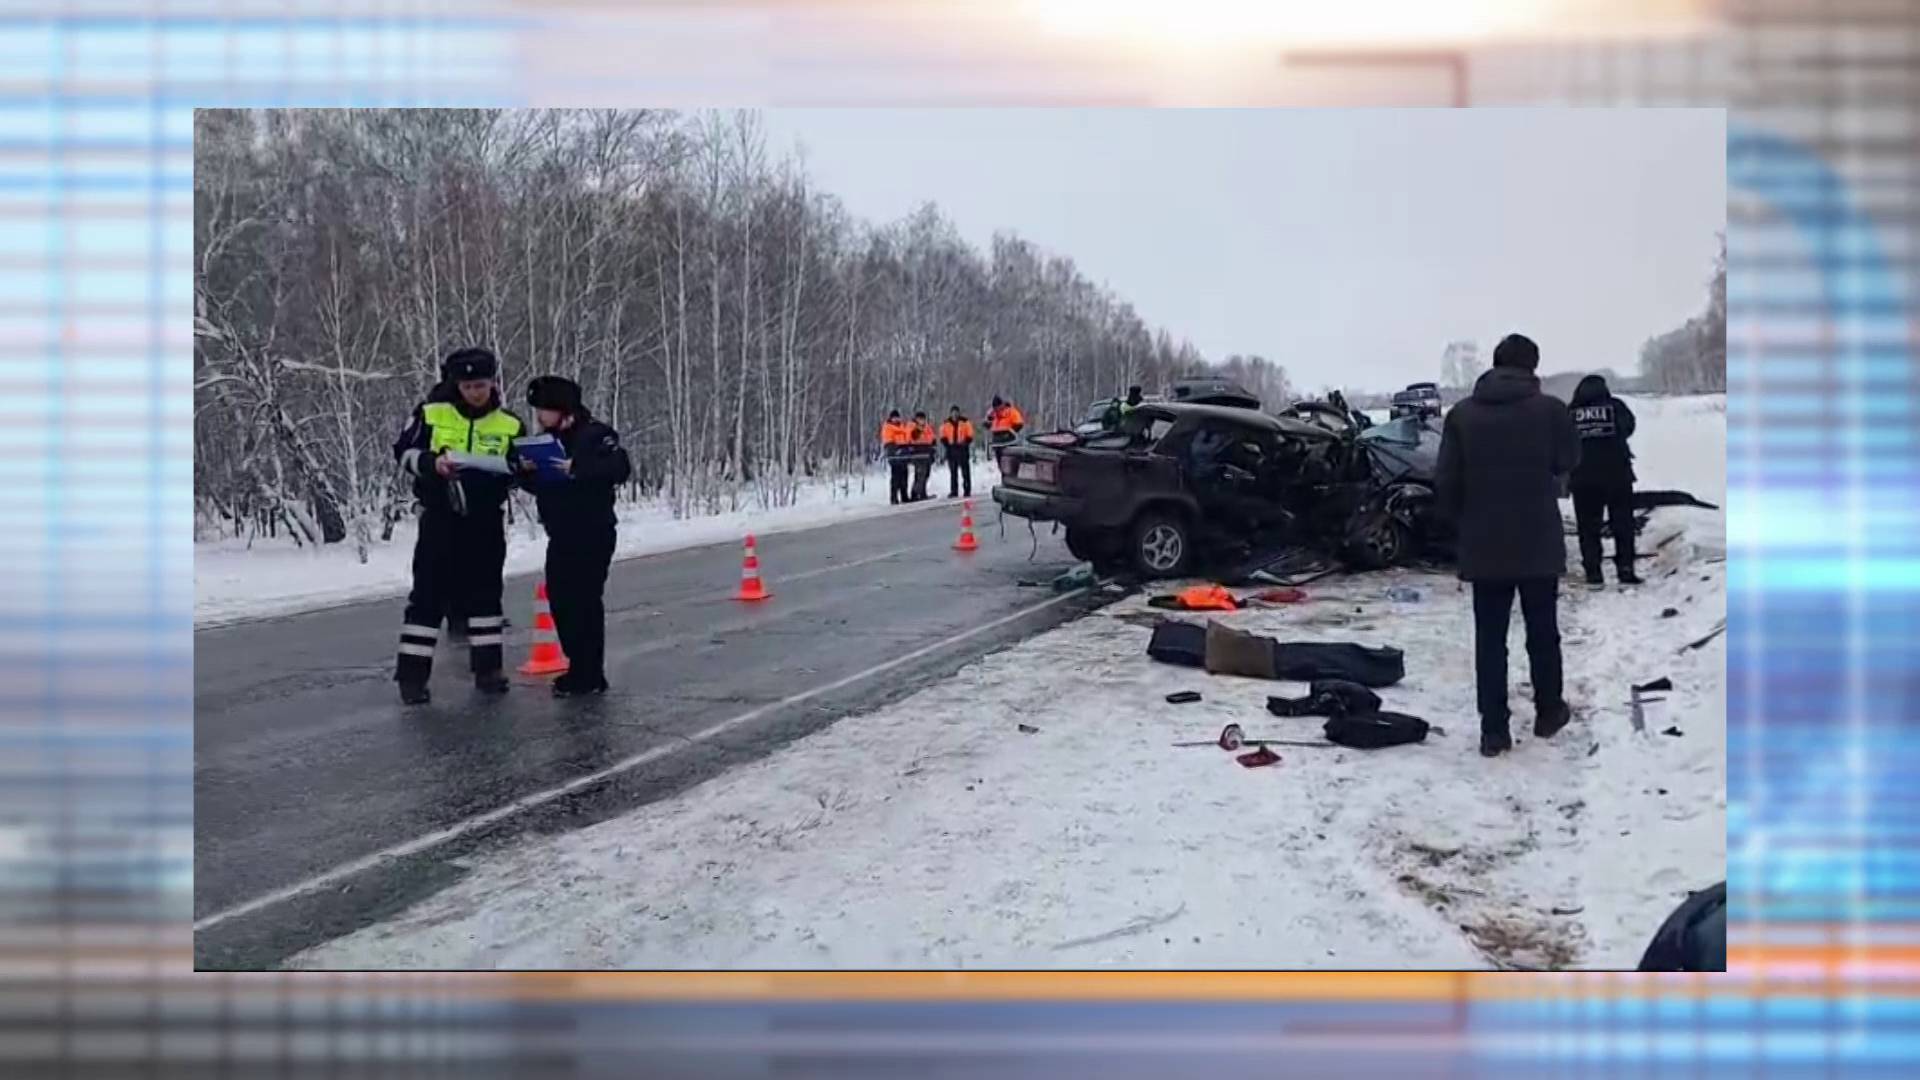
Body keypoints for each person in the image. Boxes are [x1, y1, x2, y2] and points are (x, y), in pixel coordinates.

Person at [1435, 333, 1581, 757]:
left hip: (1484, 544)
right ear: (1532, 367)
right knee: (1542, 632)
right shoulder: (1551, 411)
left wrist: (1456, 528)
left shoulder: (1462, 415)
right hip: (1538, 541)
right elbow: (1569, 460)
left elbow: (1446, 481)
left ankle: (1493, 730)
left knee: (1490, 638)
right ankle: (1549, 710)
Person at [390, 347, 525, 705]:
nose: (474, 393)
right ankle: (412, 677)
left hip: (484, 519)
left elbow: (518, 466)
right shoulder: (431, 413)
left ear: (492, 383)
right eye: (466, 386)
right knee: (428, 596)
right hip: (440, 516)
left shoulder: (509, 423)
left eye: (480, 385)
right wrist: (433, 465)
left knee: (485, 596)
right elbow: (404, 452)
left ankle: (488, 671)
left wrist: (517, 472)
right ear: (455, 384)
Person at [519, 375, 632, 698]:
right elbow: (542, 485)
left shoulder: (596, 434)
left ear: (561, 408)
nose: (540, 416)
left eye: (544, 409)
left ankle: (589, 672)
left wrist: (577, 468)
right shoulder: (546, 441)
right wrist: (526, 472)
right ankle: (578, 665)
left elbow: (619, 468)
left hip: (593, 530)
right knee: (560, 600)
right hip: (561, 533)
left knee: (584, 601)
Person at [1567, 373, 1641, 588]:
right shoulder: (1616, 406)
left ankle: (1593, 573)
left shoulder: (1571, 411)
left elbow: (1563, 437)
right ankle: (1625, 569)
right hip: (1617, 474)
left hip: (1582, 477)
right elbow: (1629, 427)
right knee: (1623, 523)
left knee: (1588, 527)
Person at [940, 405, 975, 498]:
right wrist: (947, 445)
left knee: (965, 471)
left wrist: (965, 443)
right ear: (951, 413)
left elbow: (970, 434)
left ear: (959, 413)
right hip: (951, 449)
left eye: (956, 412)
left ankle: (967, 490)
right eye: (953, 412)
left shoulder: (965, 422)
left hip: (962, 449)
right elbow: (942, 435)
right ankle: (954, 491)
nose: (954, 414)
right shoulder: (946, 423)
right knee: (953, 472)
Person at [880, 410, 911, 505]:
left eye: (897, 417)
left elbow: (907, 438)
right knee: (896, 477)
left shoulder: (903, 426)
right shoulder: (888, 428)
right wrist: (895, 450)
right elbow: (888, 441)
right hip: (894, 454)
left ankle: (904, 495)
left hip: (904, 453)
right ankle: (894, 497)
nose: (896, 419)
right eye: (894, 418)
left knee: (904, 475)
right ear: (891, 418)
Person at [987, 395, 1025, 470]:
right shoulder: (994, 414)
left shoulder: (1011, 412)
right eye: (994, 407)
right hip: (997, 443)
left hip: (1008, 442)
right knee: (1001, 465)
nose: (996, 409)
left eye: (997, 407)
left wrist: (1010, 433)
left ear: (1001, 405)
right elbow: (988, 422)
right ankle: (1003, 476)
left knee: (1009, 464)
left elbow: (1019, 424)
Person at [907, 411, 937, 501]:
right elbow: (912, 437)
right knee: (920, 474)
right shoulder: (912, 426)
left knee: (926, 474)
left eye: (923, 419)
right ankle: (915, 494)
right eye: (920, 419)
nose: (922, 421)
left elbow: (931, 437)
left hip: (927, 452)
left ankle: (923, 493)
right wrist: (919, 429)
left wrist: (933, 446)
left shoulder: (927, 427)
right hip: (918, 452)